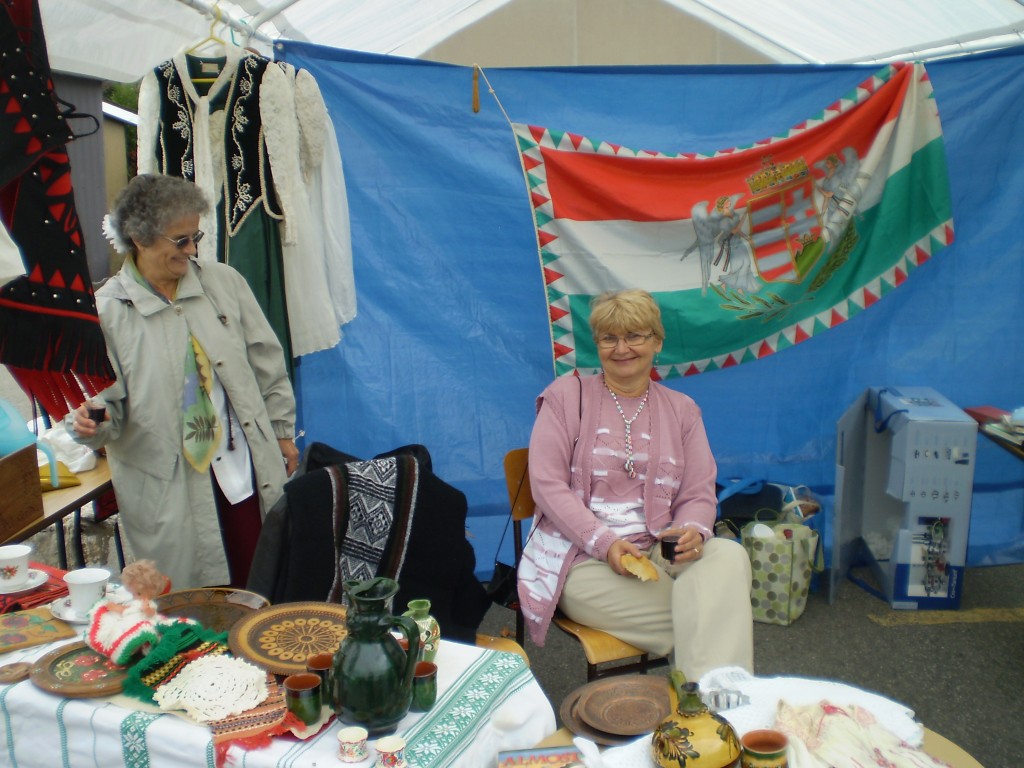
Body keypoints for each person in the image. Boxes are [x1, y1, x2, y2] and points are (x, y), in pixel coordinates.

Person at [68, 174, 299, 591]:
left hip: (243, 469)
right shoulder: (108, 313)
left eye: (196, 237)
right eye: (180, 240)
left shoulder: (223, 282)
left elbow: (267, 360)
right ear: (139, 238)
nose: (192, 250)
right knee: (192, 602)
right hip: (168, 490)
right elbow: (105, 409)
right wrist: (90, 425)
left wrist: (282, 432)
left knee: (263, 585)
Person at [517, 289, 753, 681]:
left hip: (660, 550)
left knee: (728, 557)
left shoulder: (682, 409)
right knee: (712, 611)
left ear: (657, 342)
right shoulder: (566, 397)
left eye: (635, 336)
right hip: (582, 559)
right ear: (597, 344)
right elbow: (546, 485)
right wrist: (605, 543)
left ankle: (703, 701)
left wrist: (693, 530)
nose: (622, 348)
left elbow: (698, 491)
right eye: (609, 338)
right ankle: (714, 704)